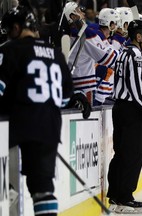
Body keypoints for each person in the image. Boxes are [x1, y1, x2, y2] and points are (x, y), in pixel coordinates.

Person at [0, 5, 73, 216]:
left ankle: (7, 189)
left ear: (16, 28)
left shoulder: (10, 50)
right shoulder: (56, 54)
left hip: (18, 121)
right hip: (49, 125)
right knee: (42, 189)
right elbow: (65, 97)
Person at [106, 19, 142, 214]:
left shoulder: (123, 52)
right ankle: (125, 198)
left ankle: (116, 196)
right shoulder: (135, 55)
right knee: (132, 155)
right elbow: (134, 87)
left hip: (121, 108)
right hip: (132, 110)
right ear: (139, 37)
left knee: (122, 153)